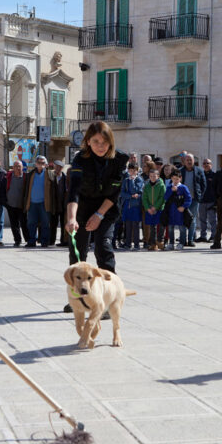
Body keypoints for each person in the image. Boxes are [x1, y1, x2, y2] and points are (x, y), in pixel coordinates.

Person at [63, 121, 129, 313]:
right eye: (96, 141)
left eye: (105, 141)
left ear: (111, 142)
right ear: (88, 142)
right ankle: (77, 298)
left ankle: (109, 299)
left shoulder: (119, 159)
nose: (101, 146)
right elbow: (73, 191)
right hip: (82, 208)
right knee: (77, 254)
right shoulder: (79, 160)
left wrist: (99, 215)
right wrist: (72, 218)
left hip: (107, 209)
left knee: (103, 247)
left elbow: (114, 194)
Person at [24, 155, 55, 247]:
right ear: (35, 164)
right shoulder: (31, 174)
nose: (40, 164)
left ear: (46, 164)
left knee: (45, 223)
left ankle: (44, 241)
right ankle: (31, 241)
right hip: (32, 203)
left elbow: (54, 191)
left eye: (42, 163)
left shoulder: (50, 174)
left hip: (44, 203)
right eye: (38, 162)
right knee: (31, 223)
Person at [180, 153, 206, 246]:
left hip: (194, 200)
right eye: (187, 160)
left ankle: (190, 240)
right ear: (184, 161)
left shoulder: (199, 171)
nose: (189, 162)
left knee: (192, 220)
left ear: (194, 161)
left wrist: (200, 196)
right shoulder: (180, 171)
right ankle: (182, 241)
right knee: (182, 220)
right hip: (182, 200)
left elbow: (204, 185)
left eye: (191, 160)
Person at [164, 168, 192, 250]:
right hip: (171, 211)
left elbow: (188, 199)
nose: (175, 181)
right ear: (171, 178)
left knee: (182, 228)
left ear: (180, 178)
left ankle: (181, 243)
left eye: (177, 179)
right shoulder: (169, 187)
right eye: (174, 179)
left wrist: (183, 206)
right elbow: (165, 197)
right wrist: (171, 191)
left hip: (180, 212)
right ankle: (171, 243)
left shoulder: (183, 187)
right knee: (170, 228)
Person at [120, 163, 144, 250]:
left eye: (134, 170)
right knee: (128, 225)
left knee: (136, 225)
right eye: (130, 170)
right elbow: (122, 193)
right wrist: (130, 196)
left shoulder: (139, 179)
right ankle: (128, 243)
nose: (132, 172)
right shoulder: (126, 180)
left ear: (137, 171)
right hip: (127, 205)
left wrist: (132, 181)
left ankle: (136, 244)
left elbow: (137, 190)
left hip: (136, 205)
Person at [5, 160, 29, 247]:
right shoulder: (8, 176)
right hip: (11, 204)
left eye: (19, 166)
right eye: (16, 166)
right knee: (14, 224)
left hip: (22, 205)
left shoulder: (26, 177)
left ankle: (28, 239)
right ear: (13, 168)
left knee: (24, 223)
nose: (18, 168)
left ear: (22, 167)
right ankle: (17, 240)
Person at [142, 167, 166, 251]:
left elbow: (162, 197)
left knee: (161, 225)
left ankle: (160, 241)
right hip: (149, 209)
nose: (152, 178)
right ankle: (153, 243)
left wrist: (155, 207)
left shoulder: (161, 185)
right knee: (152, 226)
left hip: (159, 208)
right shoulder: (147, 186)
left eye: (154, 176)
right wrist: (148, 208)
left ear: (158, 176)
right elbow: (144, 198)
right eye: (151, 176)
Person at [196, 158, 217, 243]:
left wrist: (216, 201)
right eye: (204, 163)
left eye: (207, 163)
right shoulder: (200, 175)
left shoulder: (215, 175)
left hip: (211, 201)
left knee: (213, 220)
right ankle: (203, 236)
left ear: (211, 165)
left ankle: (214, 236)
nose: (205, 165)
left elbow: (217, 189)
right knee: (202, 220)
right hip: (202, 201)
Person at [50, 160, 68, 246]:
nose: (58, 168)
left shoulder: (65, 178)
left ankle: (63, 241)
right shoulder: (50, 177)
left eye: (60, 167)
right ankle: (51, 240)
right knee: (53, 223)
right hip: (54, 204)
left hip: (63, 204)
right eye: (56, 166)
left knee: (64, 223)